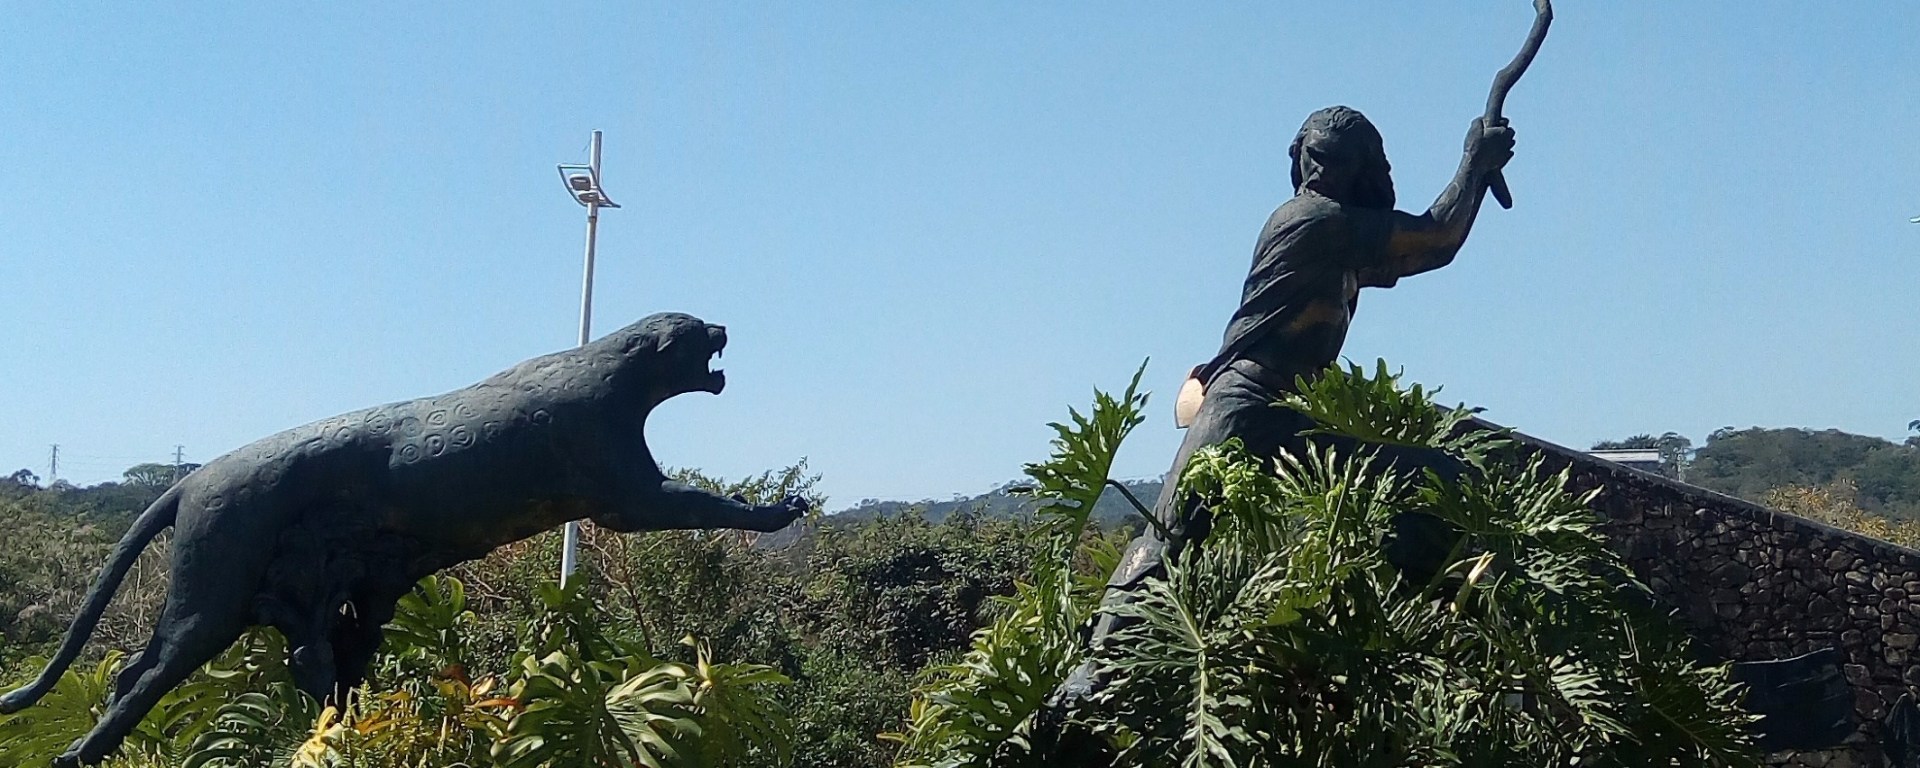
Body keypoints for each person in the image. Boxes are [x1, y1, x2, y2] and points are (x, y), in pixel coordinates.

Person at [1054, 105, 1517, 706]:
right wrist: (1473, 163)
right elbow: (1435, 234)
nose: (1319, 168)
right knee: (1166, 549)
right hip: (1243, 411)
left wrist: (1474, 175)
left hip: (1283, 419)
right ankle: (1077, 698)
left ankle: (1434, 627)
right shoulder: (1311, 220)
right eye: (1311, 154)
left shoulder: (1342, 242)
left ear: (1361, 170)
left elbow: (1423, 251)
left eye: (1336, 160)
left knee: (1431, 482)